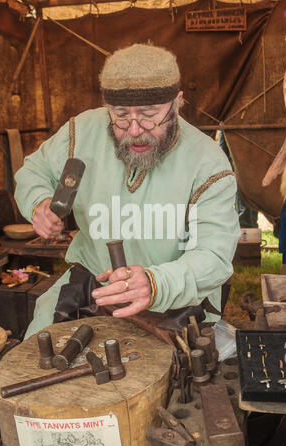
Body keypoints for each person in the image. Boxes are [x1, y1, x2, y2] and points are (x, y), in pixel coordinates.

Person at [15, 43, 240, 339]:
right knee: (36, 352)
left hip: (176, 294)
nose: (134, 130)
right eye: (120, 116)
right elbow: (34, 171)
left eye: (149, 115)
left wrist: (155, 283)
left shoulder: (207, 162)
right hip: (94, 281)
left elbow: (214, 255)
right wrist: (38, 202)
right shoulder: (81, 132)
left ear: (176, 103)